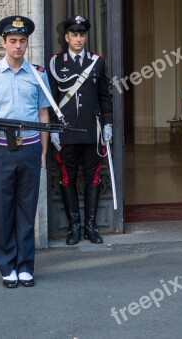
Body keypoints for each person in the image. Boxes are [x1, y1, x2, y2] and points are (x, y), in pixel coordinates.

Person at [0, 16, 50, 288]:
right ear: (3, 42)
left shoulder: (38, 75)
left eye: (23, 41)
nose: (18, 46)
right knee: (2, 210)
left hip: (29, 148)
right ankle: (7, 266)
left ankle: (26, 265)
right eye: (13, 41)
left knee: (27, 210)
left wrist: (43, 150)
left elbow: (43, 113)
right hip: (2, 150)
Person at [47, 15, 113, 245]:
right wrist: (53, 128)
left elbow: (105, 95)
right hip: (66, 131)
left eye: (82, 34)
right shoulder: (56, 62)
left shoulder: (97, 61)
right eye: (74, 34)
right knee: (68, 177)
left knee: (93, 177)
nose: (78, 38)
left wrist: (107, 124)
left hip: (92, 130)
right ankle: (74, 226)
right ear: (66, 37)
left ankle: (91, 226)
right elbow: (52, 98)